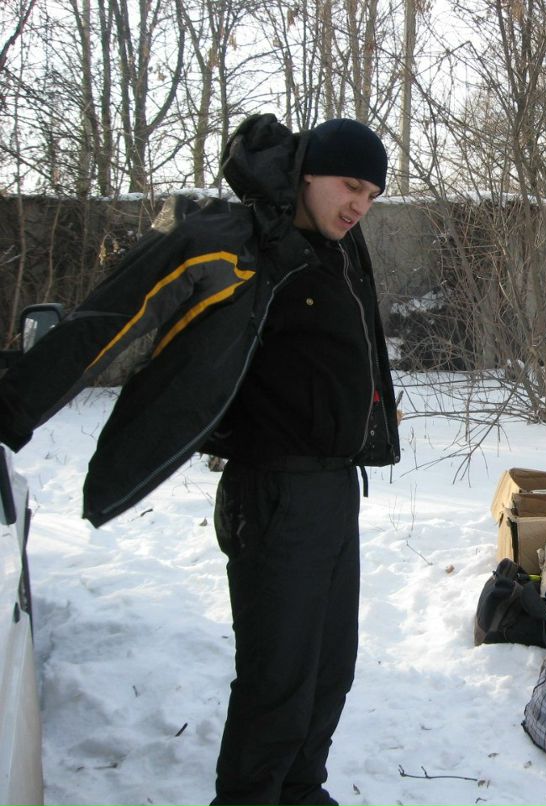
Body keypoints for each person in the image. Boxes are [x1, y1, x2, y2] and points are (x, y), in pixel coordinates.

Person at [0, 113, 400, 805]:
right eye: (350, 186)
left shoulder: (338, 249)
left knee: (330, 670)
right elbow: (113, 314)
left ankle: (300, 791)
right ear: (306, 173)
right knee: (277, 678)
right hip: (273, 494)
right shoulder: (242, 241)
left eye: (371, 195)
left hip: (336, 491)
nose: (359, 205)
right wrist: (11, 410)